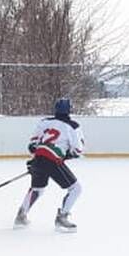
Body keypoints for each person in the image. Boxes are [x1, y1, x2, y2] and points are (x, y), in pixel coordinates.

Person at [16, 97, 84, 230]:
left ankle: (21, 216)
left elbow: (32, 146)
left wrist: (36, 161)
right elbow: (77, 150)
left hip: (38, 159)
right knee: (76, 189)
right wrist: (65, 155)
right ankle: (62, 218)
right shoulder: (73, 126)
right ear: (69, 110)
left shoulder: (44, 122)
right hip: (52, 160)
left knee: (37, 189)